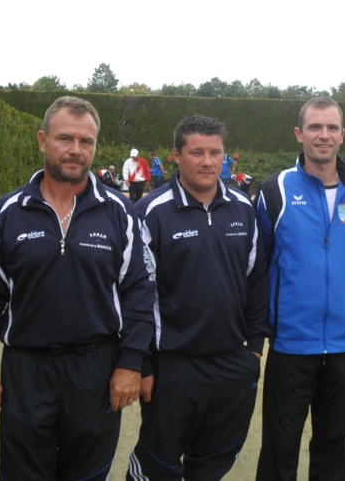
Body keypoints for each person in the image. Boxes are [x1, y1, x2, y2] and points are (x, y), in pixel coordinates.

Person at [0, 96, 155, 480]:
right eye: (65, 138)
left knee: (86, 475)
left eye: (86, 142)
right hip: (27, 370)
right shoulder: (9, 212)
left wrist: (130, 362)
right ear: (42, 140)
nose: (75, 150)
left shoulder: (119, 212)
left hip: (96, 370)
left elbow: (139, 291)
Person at [126, 115, 269, 480]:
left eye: (215, 153)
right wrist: (143, 364)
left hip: (233, 362)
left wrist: (253, 348)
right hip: (173, 365)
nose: (207, 161)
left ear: (226, 157)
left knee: (213, 461)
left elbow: (257, 281)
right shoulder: (149, 212)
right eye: (197, 152)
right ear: (176, 155)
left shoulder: (243, 208)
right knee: (159, 464)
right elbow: (137, 295)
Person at [255, 97, 345, 481]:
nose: (324, 135)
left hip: (343, 346)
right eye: (315, 127)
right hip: (291, 345)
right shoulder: (276, 191)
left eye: (332, 128)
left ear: (343, 135)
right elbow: (257, 268)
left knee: (333, 444)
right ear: (299, 133)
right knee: (279, 446)